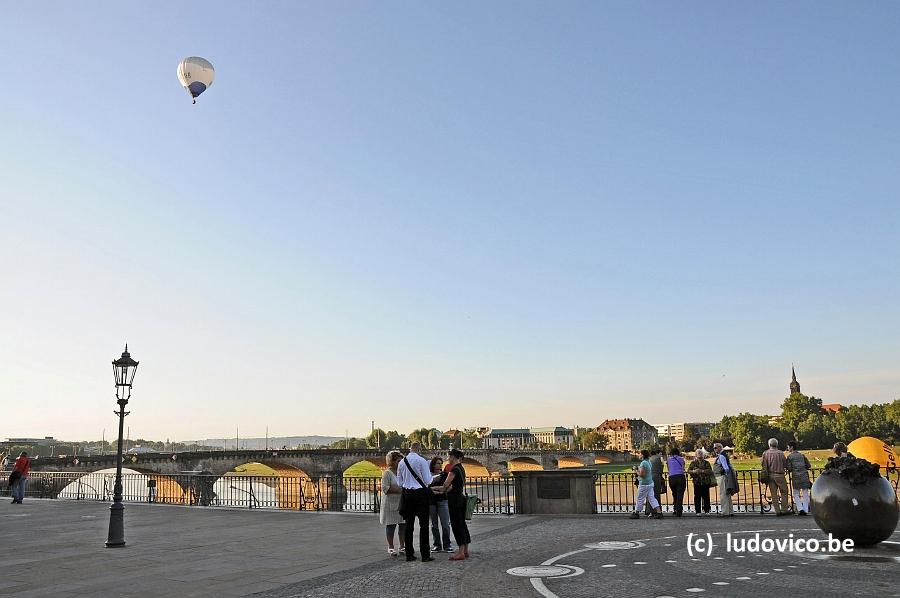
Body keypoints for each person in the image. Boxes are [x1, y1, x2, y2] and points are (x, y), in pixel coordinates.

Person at [397, 442, 434, 562]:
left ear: (410, 449)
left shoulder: (402, 462)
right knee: (424, 525)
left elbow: (399, 483)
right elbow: (428, 480)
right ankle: (425, 555)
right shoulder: (421, 460)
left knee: (409, 525)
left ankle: (409, 554)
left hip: (407, 495)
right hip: (420, 494)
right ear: (419, 449)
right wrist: (435, 477)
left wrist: (409, 483)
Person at [434, 448, 471, 561]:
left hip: (454, 500)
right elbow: (453, 486)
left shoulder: (454, 469)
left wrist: (432, 488)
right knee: (462, 524)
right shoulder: (461, 469)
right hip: (461, 499)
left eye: (449, 456)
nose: (447, 459)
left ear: (453, 457)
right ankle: (465, 550)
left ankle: (460, 552)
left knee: (456, 525)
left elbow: (445, 486)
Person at [379, 451, 406, 556]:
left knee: (403, 525)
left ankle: (402, 546)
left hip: (402, 502)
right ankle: (391, 547)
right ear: (392, 461)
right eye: (398, 461)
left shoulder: (402, 472)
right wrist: (400, 489)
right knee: (391, 526)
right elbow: (385, 488)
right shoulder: (387, 473)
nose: (400, 463)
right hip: (390, 504)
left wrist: (401, 489)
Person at [428, 457, 452, 553]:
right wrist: (437, 488)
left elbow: (449, 487)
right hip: (431, 502)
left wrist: (436, 489)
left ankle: (447, 545)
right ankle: (437, 545)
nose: (440, 465)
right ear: (433, 465)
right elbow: (426, 487)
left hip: (443, 501)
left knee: (445, 524)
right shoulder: (428, 476)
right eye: (438, 463)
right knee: (434, 524)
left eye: (441, 463)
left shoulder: (445, 475)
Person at [630, 449, 663, 519]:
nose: (639, 455)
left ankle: (636, 513)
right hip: (650, 483)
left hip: (644, 484)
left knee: (640, 498)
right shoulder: (648, 462)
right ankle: (659, 512)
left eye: (640, 454)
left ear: (642, 455)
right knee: (652, 498)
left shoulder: (643, 463)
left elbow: (642, 475)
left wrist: (635, 470)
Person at [760, 438, 790, 516]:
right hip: (780, 475)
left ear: (769, 445)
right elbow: (785, 464)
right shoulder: (780, 453)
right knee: (784, 492)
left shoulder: (765, 453)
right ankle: (784, 509)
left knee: (773, 494)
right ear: (777, 445)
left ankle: (777, 511)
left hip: (770, 475)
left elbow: (762, 464)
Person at [785, 441, 812, 516]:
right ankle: (806, 509)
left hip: (796, 477)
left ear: (791, 447)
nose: (787, 449)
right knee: (805, 493)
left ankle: (800, 509)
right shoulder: (802, 455)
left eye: (788, 447)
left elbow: (789, 467)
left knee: (796, 493)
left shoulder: (790, 457)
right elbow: (808, 465)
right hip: (804, 476)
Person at [687, 448, 714, 516]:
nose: (700, 455)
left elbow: (710, 471)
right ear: (696, 455)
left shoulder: (706, 462)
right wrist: (694, 471)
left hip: (705, 482)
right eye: (698, 453)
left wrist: (702, 471)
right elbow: (688, 470)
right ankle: (698, 511)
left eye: (701, 453)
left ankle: (707, 510)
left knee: (706, 497)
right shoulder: (693, 463)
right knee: (697, 497)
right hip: (697, 482)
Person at [712, 443, 734, 516]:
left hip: (722, 476)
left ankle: (725, 512)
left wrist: (727, 476)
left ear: (719, 448)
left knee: (723, 494)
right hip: (723, 476)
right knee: (727, 494)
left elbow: (726, 468)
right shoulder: (723, 455)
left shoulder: (721, 456)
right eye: (714, 448)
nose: (714, 449)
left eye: (715, 448)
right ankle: (730, 511)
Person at [666, 447, 686, 517]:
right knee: (680, 495)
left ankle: (675, 509)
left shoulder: (668, 459)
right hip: (680, 477)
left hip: (672, 477)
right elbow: (683, 468)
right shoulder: (681, 459)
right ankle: (679, 512)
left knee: (674, 494)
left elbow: (668, 469)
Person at [644, 448, 665, 515]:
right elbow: (661, 470)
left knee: (649, 495)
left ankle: (649, 511)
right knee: (656, 494)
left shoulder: (648, 459)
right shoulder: (659, 459)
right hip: (656, 478)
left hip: (649, 478)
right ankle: (658, 511)